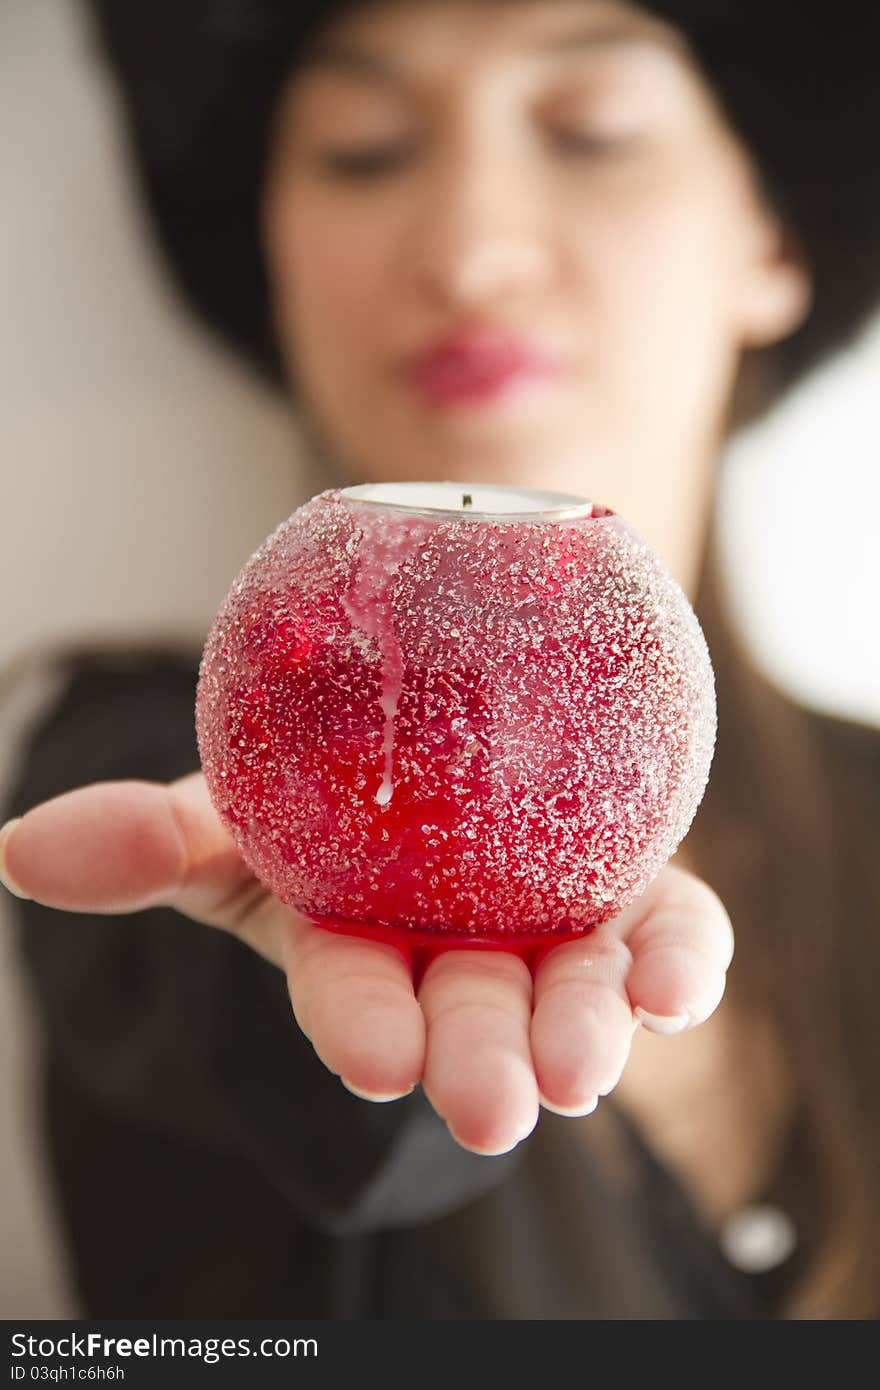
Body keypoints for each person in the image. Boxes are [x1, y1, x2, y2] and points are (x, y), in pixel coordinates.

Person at [1, 0, 879, 1319]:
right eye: (363, 151)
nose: (470, 254)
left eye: (592, 132)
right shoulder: (150, 771)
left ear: (774, 239)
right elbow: (258, 1061)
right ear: (275, 252)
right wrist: (337, 919)